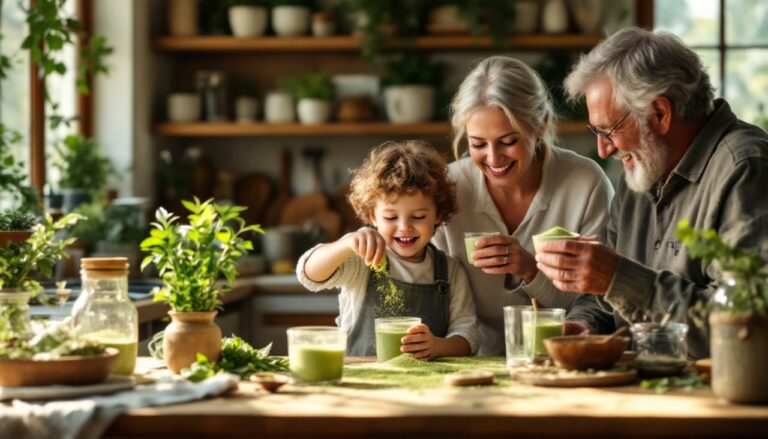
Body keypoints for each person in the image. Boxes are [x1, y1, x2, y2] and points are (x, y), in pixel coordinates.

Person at [535, 27, 768, 360]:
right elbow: (602, 300)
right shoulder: (643, 168)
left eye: (609, 130)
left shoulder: (745, 167)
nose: (603, 150)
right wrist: (584, 327)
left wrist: (617, 278)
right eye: (596, 131)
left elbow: (746, 324)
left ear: (660, 113)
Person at [431, 56, 614, 356]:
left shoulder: (585, 183)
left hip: (557, 361)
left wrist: (530, 270)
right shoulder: (449, 187)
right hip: (466, 361)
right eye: (478, 144)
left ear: (540, 125)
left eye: (507, 141)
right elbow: (424, 283)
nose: (493, 158)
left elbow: (596, 302)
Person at [296, 140, 479, 360]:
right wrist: (346, 243)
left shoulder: (450, 271)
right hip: (363, 381)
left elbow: (468, 337)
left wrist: (437, 346)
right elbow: (308, 274)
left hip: (426, 387)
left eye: (419, 217)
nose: (404, 227)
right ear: (373, 216)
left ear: (437, 215)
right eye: (391, 217)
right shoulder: (362, 260)